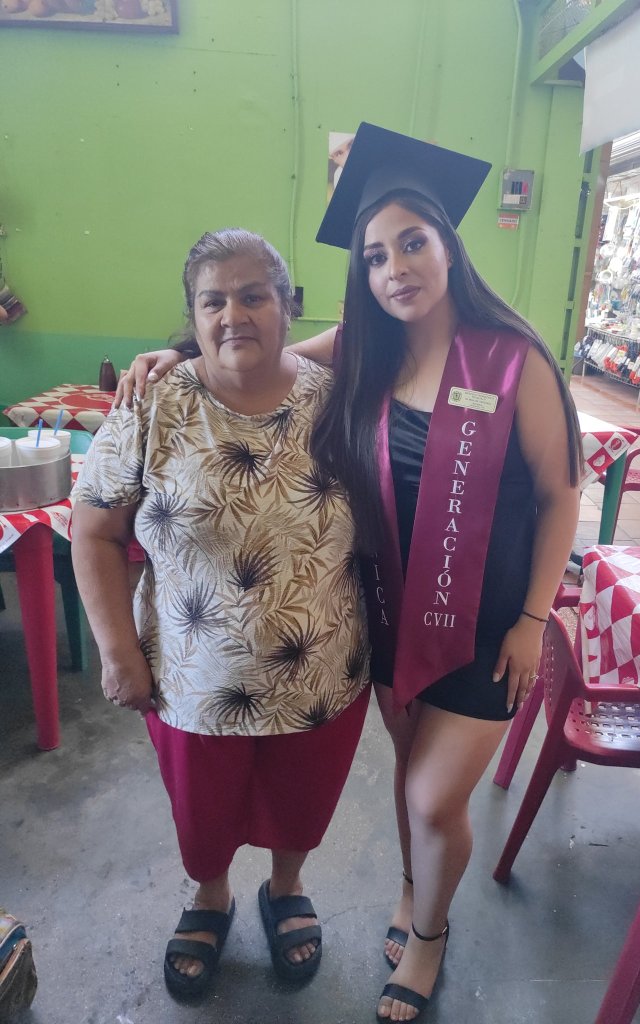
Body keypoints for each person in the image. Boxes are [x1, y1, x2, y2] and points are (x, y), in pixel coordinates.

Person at [115, 124, 583, 1023]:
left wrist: (533, 620)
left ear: (449, 244)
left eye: (413, 242)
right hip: (389, 617)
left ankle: (431, 938)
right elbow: (253, 348)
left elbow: (562, 495)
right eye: (375, 256)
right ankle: (413, 894)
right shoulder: (366, 350)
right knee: (415, 787)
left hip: (488, 629)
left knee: (430, 793)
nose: (395, 267)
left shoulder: (512, 359)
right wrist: (173, 354)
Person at [72, 228, 370, 1000]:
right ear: (193, 316)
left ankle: (286, 887)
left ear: (286, 306)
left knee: (301, 805)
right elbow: (95, 530)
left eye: (253, 296)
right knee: (202, 816)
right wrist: (115, 653)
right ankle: (211, 897)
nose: (233, 314)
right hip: (191, 678)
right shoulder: (154, 402)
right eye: (214, 301)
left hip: (322, 669)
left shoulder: (335, 398)